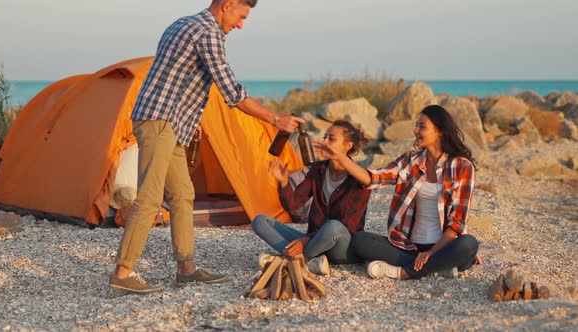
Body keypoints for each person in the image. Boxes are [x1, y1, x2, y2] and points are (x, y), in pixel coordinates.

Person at [109, 0, 304, 295]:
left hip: (170, 122)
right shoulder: (207, 32)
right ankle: (123, 272)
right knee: (149, 196)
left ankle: (186, 270)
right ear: (226, 5)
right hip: (160, 121)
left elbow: (174, 78)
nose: (240, 24)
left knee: (183, 194)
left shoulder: (182, 23)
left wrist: (189, 117)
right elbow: (232, 92)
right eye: (241, 16)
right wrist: (275, 119)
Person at [314, 105, 480, 280]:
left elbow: (456, 224)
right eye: (416, 125)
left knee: (468, 244)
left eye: (422, 127)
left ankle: (405, 272)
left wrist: (431, 253)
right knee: (360, 240)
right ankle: (438, 268)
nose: (415, 130)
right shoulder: (410, 160)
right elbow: (372, 178)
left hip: (444, 246)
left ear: (440, 131)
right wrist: (339, 156)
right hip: (409, 247)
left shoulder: (461, 166)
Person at [252, 120, 371, 275]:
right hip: (315, 242)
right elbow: (294, 206)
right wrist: (283, 182)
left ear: (347, 146)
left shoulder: (359, 180)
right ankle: (306, 260)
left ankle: (291, 261)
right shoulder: (318, 170)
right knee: (260, 221)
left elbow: (348, 226)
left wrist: (305, 241)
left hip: (342, 248)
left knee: (333, 226)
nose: (324, 142)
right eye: (325, 137)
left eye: (331, 139)